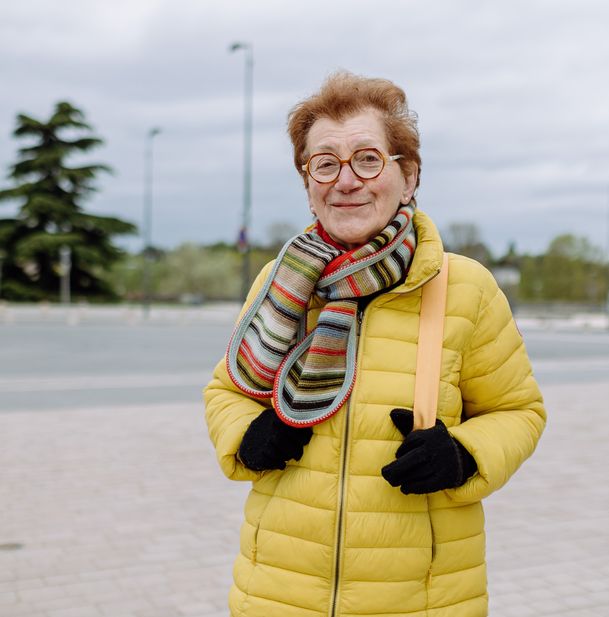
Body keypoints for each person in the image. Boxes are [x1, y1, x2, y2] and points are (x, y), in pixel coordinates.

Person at [204, 71, 546, 617]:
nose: (346, 181)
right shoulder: (280, 280)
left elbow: (518, 411)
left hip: (422, 598)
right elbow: (226, 389)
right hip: (278, 590)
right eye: (325, 163)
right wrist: (248, 436)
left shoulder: (465, 287)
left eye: (368, 158)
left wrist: (462, 456)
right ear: (308, 181)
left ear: (407, 176)